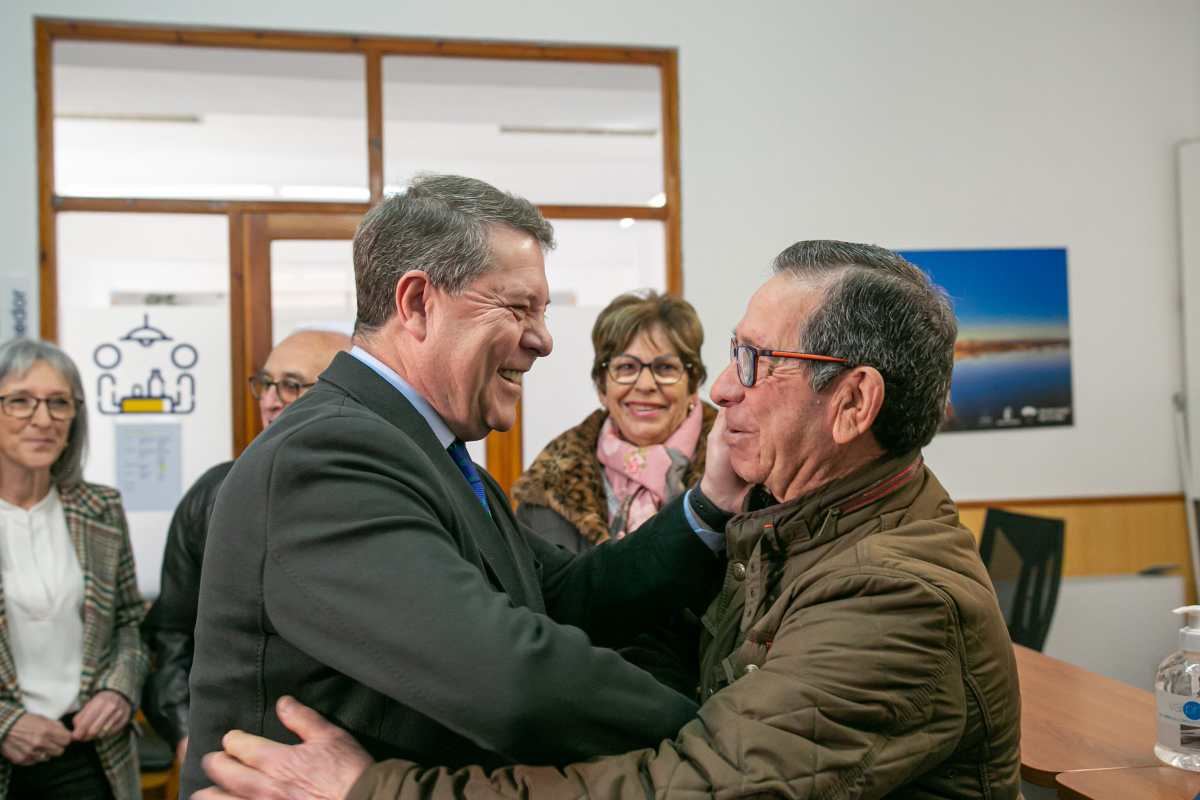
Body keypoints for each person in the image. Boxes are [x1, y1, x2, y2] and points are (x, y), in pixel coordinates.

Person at [196, 240, 1023, 800]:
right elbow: (629, 647)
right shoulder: (786, 522)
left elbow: (694, 783)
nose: (721, 391)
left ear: (852, 404)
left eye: (754, 362)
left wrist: (370, 790)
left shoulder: (896, 595)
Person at [180, 174, 741, 796]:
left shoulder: (433, 454)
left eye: (543, 311)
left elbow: (568, 595)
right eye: (517, 307)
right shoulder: (329, 455)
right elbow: (507, 679)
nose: (544, 340)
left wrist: (709, 507)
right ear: (417, 303)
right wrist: (717, 740)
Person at [141, 329, 350, 766]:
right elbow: (172, 633)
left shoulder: (377, 500)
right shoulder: (213, 494)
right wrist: (184, 733)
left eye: (292, 385)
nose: (272, 399)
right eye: (266, 383)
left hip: (343, 758)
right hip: (230, 753)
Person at [0, 338, 147, 800]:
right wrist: (6, 724)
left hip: (89, 753)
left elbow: (128, 621)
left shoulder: (100, 508)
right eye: (20, 401)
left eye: (58, 403)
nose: (42, 420)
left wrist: (118, 691)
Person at [513, 291, 718, 551]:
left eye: (666, 368)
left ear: (693, 383)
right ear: (602, 386)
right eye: (626, 368)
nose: (645, 385)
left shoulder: (742, 472)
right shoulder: (548, 486)